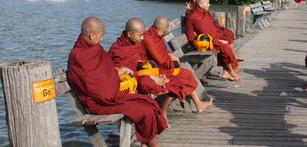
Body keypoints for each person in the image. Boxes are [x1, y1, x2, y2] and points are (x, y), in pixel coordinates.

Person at [67, 17, 167, 147]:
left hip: (110, 95)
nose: (102, 39)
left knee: (149, 104)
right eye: (101, 36)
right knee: (144, 110)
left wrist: (118, 74)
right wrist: (114, 85)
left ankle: (145, 143)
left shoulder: (95, 48)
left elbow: (106, 72)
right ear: (92, 35)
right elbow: (93, 87)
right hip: (99, 103)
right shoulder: (79, 56)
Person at [109, 17, 184, 123]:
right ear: (129, 34)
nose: (143, 38)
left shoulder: (137, 43)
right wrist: (150, 77)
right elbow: (122, 76)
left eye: (144, 35)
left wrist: (157, 75)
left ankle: (160, 113)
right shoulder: (117, 49)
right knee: (148, 83)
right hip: (129, 83)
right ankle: (154, 115)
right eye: (140, 35)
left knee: (175, 81)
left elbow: (145, 63)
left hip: (142, 76)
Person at [143, 16, 214, 113]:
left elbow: (161, 53)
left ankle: (199, 104)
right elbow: (161, 60)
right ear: (165, 31)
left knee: (187, 74)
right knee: (181, 79)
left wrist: (169, 55)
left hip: (162, 67)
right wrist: (171, 59)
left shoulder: (155, 35)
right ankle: (163, 112)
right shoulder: (149, 39)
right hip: (155, 70)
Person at [185, 0, 243, 81]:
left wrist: (220, 34)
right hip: (201, 42)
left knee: (228, 35)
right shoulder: (196, 17)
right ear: (200, 5)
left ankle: (227, 70)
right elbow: (205, 34)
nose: (209, 5)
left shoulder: (203, 12)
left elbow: (211, 26)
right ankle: (230, 71)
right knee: (224, 46)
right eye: (207, 3)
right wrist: (219, 41)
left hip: (209, 37)